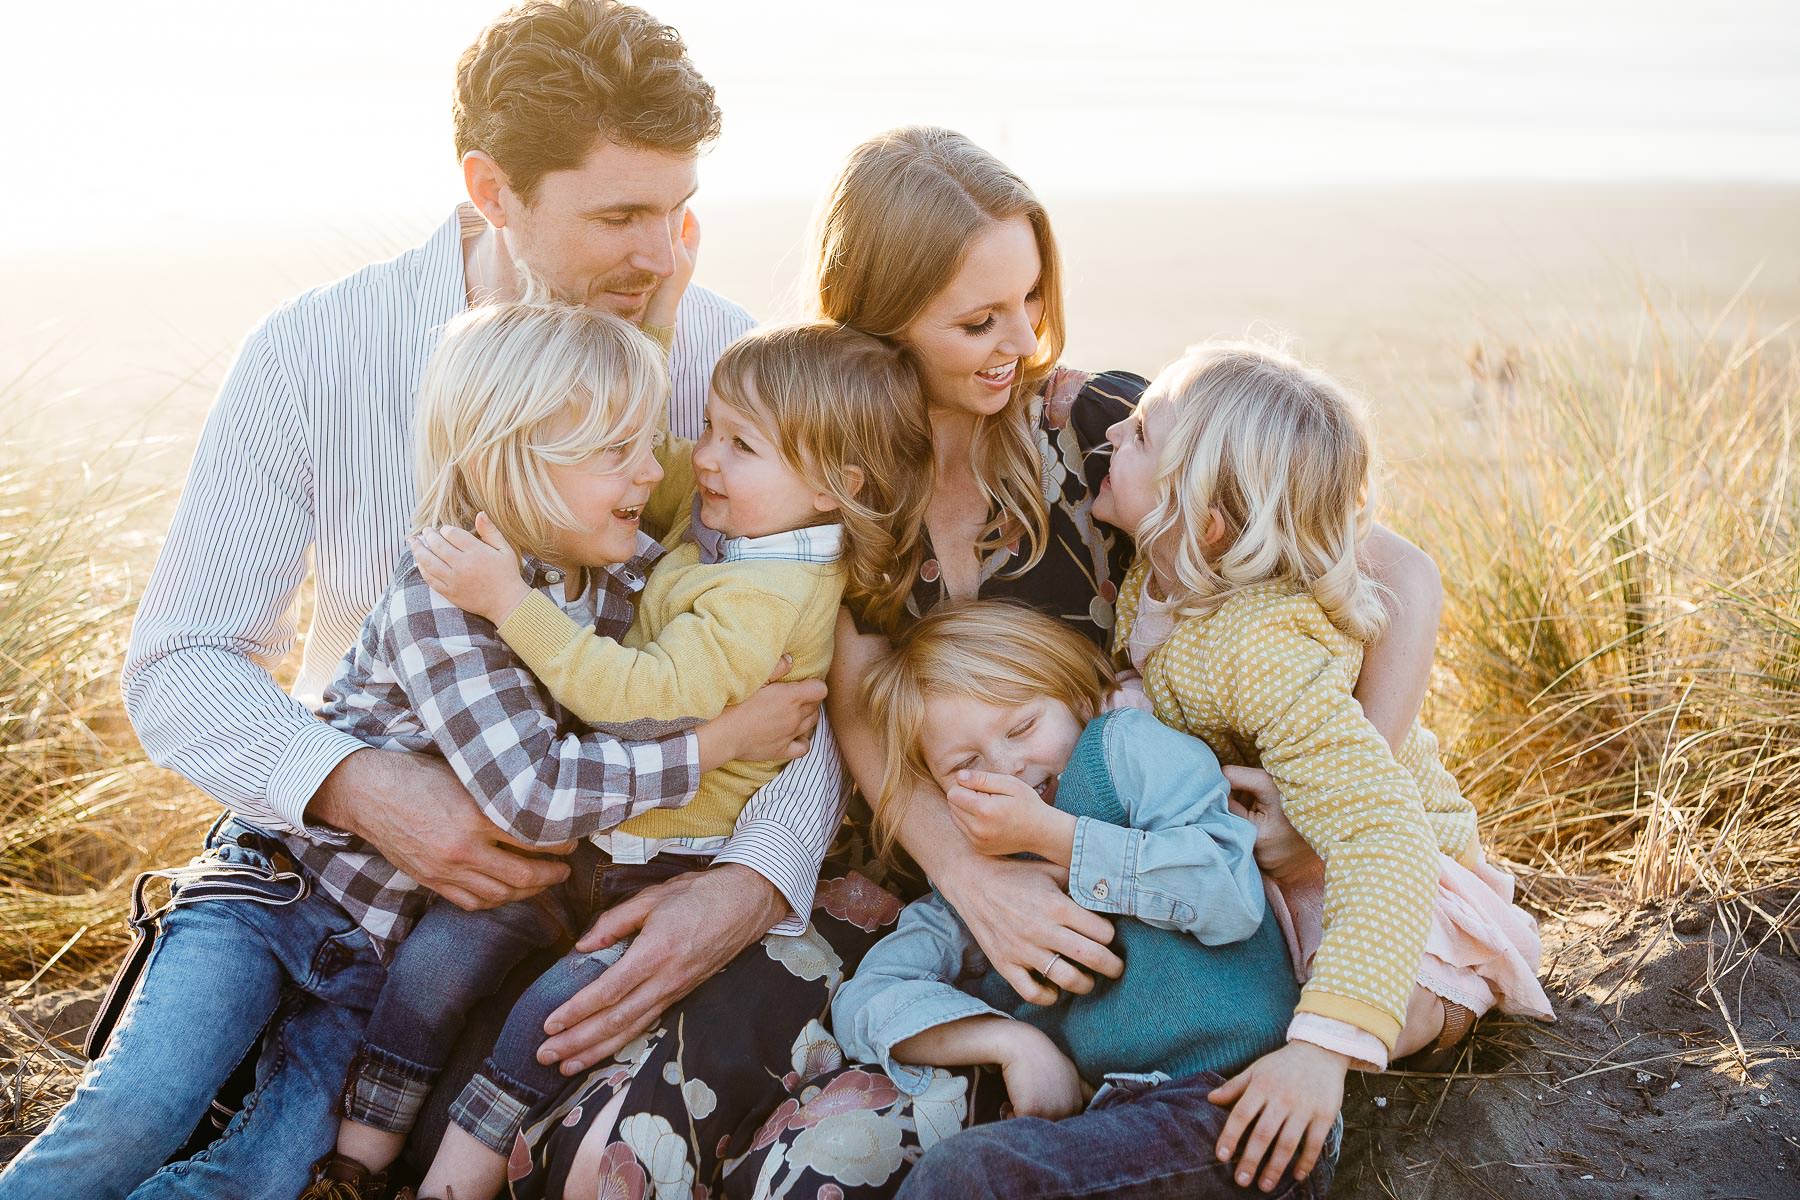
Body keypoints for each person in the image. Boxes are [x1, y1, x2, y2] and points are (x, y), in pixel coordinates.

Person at [521, 126, 1445, 1200]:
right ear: (882, 318)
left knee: (817, 1171)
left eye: (1030, 304)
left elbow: (1401, 573)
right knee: (607, 1153)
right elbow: (856, 701)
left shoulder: (1098, 426)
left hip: (1126, 858)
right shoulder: (839, 461)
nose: (1019, 343)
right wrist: (966, 876)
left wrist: (1308, 814)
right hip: (916, 883)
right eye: (977, 321)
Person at [16, 3, 829, 1197]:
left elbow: (792, 650)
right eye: (619, 217)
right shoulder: (313, 352)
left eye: (676, 207)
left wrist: (752, 882)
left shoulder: (720, 360)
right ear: (491, 188)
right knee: (157, 1114)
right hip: (328, 862)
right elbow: (182, 659)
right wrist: (365, 788)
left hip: (571, 896)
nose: (665, 253)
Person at [298, 317, 932, 1200]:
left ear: (835, 487)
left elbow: (630, 693)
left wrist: (509, 600)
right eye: (710, 427)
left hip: (659, 862)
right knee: (436, 964)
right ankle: (354, 1164)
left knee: (547, 1018)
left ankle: (448, 1185)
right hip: (597, 839)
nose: (701, 458)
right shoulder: (742, 520)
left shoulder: (764, 600)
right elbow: (640, 466)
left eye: (738, 444)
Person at [1093, 339, 1555, 1192]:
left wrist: (1319, 1050)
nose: (1115, 429)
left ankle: (1437, 1012)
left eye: (1143, 433)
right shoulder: (1166, 578)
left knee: (1393, 989)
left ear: (1207, 521)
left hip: (1392, 864)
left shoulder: (1258, 647)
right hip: (1286, 853)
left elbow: (1383, 841)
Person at [827, 600, 1325, 1200]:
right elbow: (865, 1002)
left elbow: (1230, 892)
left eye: (1022, 727)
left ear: (1077, 701)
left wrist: (1056, 839)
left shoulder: (1124, 753)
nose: (1009, 766)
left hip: (1244, 1104)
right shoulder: (975, 884)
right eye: (965, 765)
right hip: (1110, 1129)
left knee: (966, 1179)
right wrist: (1008, 1040)